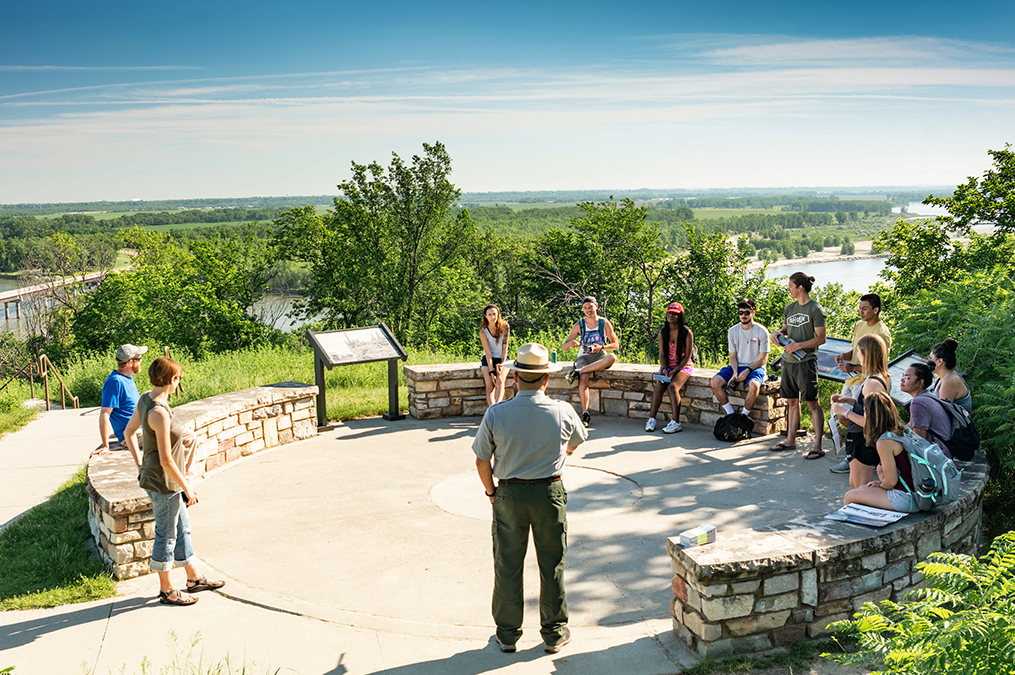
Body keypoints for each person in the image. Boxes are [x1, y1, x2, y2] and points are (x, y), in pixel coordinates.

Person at [473, 343, 587, 654]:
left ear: (515, 379)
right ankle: (553, 633)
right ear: (546, 380)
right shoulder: (562, 410)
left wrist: (492, 492)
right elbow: (576, 442)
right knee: (552, 563)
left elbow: (482, 460)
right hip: (549, 492)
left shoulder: (497, 413)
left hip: (509, 491)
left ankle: (508, 634)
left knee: (507, 564)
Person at [123, 357, 223, 606]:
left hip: (166, 480)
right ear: (173, 380)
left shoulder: (147, 399)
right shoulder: (158, 412)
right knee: (166, 535)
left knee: (183, 529)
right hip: (164, 483)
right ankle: (166, 590)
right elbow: (166, 460)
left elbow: (128, 433)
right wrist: (187, 487)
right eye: (179, 378)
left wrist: (140, 464)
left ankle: (194, 578)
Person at [829, 293, 893, 474]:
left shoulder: (881, 333)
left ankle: (858, 456)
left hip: (865, 380)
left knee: (861, 421)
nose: (861, 312)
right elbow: (855, 349)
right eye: (859, 308)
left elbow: (880, 364)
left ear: (876, 310)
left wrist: (853, 366)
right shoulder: (859, 325)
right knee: (844, 418)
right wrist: (845, 357)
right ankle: (859, 453)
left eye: (865, 309)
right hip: (851, 378)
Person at [769, 272, 826, 458]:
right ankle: (790, 440)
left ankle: (817, 445)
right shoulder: (790, 308)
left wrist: (799, 345)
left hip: (806, 362)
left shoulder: (815, 309)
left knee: (812, 402)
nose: (789, 289)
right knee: (791, 401)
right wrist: (777, 334)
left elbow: (821, 338)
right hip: (788, 362)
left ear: (800, 288)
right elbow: (785, 330)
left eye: (791, 286)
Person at [837, 391, 921, 514]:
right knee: (863, 488)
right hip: (916, 493)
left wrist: (882, 485)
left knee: (850, 496)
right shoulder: (901, 429)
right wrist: (879, 483)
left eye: (865, 411)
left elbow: (891, 481)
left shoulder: (884, 442)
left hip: (906, 497)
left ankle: (857, 531)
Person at [561, 296, 619, 428]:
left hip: (599, 356)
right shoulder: (579, 325)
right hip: (584, 357)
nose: (588, 310)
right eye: (585, 308)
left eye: (590, 307)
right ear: (583, 310)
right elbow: (564, 347)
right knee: (584, 378)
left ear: (596, 307)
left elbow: (616, 344)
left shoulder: (604, 323)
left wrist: (602, 347)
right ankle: (585, 413)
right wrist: (571, 343)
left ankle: (578, 371)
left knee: (612, 357)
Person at [710, 298, 769, 419]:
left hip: (755, 367)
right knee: (715, 382)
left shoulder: (761, 331)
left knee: (754, 386)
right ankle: (731, 415)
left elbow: (763, 358)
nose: (743, 315)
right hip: (737, 365)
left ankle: (743, 417)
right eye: (740, 312)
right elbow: (732, 356)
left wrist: (748, 370)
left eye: (747, 312)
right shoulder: (733, 331)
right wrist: (735, 373)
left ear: (753, 313)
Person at [645, 303, 694, 433]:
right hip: (668, 366)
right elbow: (661, 354)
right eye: (669, 313)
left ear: (680, 316)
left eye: (674, 314)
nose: (671, 316)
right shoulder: (663, 332)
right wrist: (665, 368)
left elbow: (687, 357)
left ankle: (676, 422)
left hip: (683, 366)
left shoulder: (686, 333)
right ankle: (651, 419)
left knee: (673, 387)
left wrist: (675, 371)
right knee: (659, 387)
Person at [95, 344, 148, 455]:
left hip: (141, 429)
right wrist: (105, 445)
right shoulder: (115, 382)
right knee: (177, 440)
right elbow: (105, 414)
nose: (141, 361)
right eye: (138, 359)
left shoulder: (127, 378)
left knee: (184, 434)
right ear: (130, 362)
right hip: (133, 435)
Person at [900, 363, 954, 458]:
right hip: (944, 452)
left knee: (883, 464)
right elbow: (909, 427)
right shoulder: (927, 396)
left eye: (907, 377)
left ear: (920, 383)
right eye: (903, 376)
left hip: (937, 457)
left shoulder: (918, 402)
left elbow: (919, 439)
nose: (902, 380)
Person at [928, 338, 972, 413]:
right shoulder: (941, 377)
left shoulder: (949, 382)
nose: (927, 361)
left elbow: (942, 415)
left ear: (939, 361)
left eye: (930, 358)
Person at [479, 304, 510, 407]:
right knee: (490, 385)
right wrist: (492, 371)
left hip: (502, 357)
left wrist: (502, 364)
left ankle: (498, 406)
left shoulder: (505, 326)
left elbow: (505, 347)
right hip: (489, 359)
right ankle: (491, 410)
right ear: (485, 316)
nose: (493, 317)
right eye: (490, 315)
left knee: (500, 380)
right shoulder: (483, 331)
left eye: (494, 314)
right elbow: (488, 353)